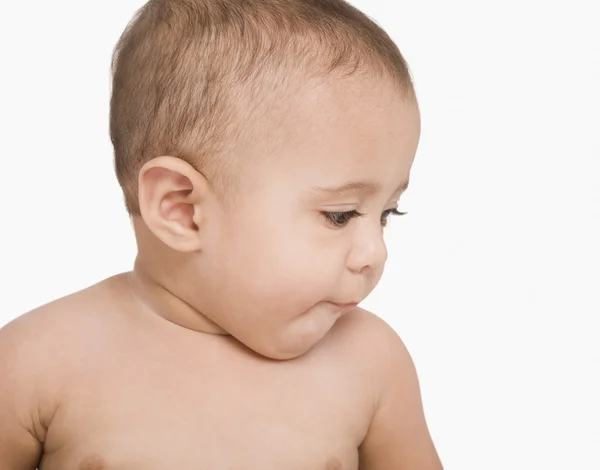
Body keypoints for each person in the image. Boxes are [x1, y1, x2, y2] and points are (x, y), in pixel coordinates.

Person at [0, 0, 443, 468]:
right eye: (340, 215)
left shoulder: (371, 365)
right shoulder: (36, 365)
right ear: (183, 210)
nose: (375, 253)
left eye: (387, 213)